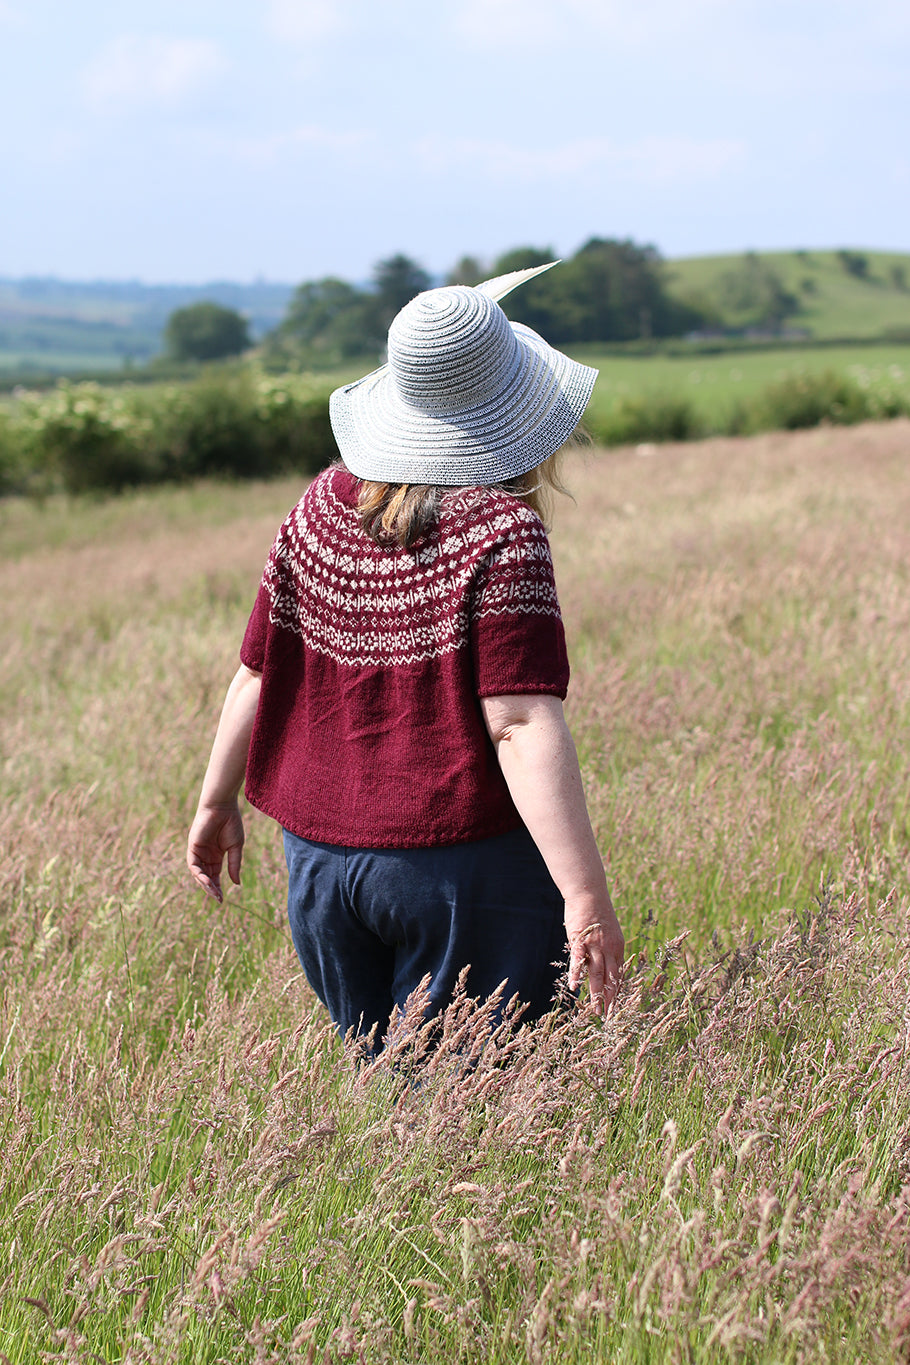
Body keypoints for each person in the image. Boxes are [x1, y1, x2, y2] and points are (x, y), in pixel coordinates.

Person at [187, 261, 624, 1048]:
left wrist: (215, 802)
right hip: (457, 873)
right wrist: (584, 893)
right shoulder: (502, 530)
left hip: (318, 869)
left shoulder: (319, 505)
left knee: (395, 1107)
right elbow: (519, 721)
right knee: (475, 1115)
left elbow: (257, 672)